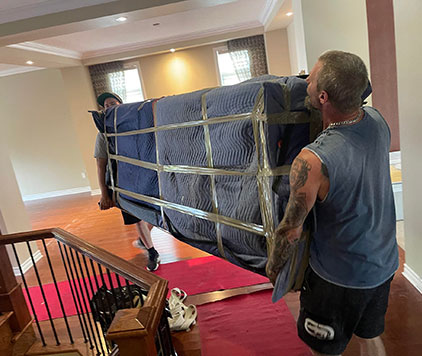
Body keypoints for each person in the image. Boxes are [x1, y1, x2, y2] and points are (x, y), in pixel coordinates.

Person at [266, 51, 398, 356]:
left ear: (323, 97)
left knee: (324, 352)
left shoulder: (312, 161)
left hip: (339, 280)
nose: (306, 81)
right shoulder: (377, 120)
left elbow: (290, 230)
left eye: (311, 79)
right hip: (382, 265)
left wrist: (275, 268)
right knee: (370, 338)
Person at [94, 92, 160, 271]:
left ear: (122, 104)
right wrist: (104, 194)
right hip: (123, 183)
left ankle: (143, 239)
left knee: (157, 211)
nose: (110, 107)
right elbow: (101, 166)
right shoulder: (104, 135)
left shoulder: (135, 126)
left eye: (113, 103)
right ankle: (152, 252)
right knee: (136, 218)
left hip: (144, 177)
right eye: (106, 106)